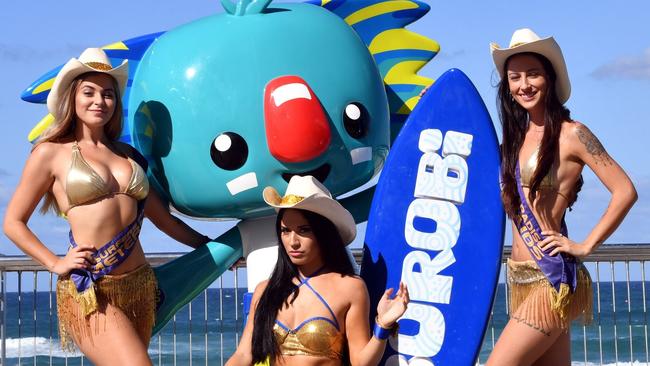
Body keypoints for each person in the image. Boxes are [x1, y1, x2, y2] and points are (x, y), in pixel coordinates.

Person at [3, 48, 211, 365]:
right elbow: (13, 223)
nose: (99, 101)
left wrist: (210, 248)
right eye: (89, 92)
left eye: (108, 94)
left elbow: (165, 222)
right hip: (91, 288)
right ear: (71, 97)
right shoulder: (50, 153)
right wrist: (55, 262)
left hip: (140, 287)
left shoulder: (128, 156)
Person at [486, 29, 637, 365]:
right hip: (519, 278)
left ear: (550, 78)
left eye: (533, 74)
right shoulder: (512, 142)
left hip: (549, 278)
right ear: (507, 87)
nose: (524, 84)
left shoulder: (573, 134)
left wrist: (585, 246)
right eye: (515, 77)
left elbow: (625, 190)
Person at [227, 175, 409, 366]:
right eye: (285, 230)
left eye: (304, 230)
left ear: (324, 233)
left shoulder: (349, 287)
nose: (293, 242)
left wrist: (383, 325)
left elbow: (361, 363)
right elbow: (243, 355)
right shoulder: (265, 290)